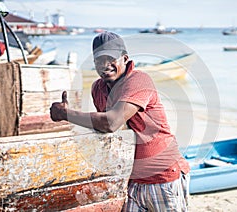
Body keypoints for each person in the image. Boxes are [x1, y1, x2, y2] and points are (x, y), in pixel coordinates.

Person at [50, 31, 190, 211]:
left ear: (125, 58)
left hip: (163, 177)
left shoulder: (139, 80)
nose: (105, 65)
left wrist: (66, 114)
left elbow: (111, 123)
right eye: (99, 60)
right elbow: (106, 131)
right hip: (131, 181)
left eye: (111, 59)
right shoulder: (98, 88)